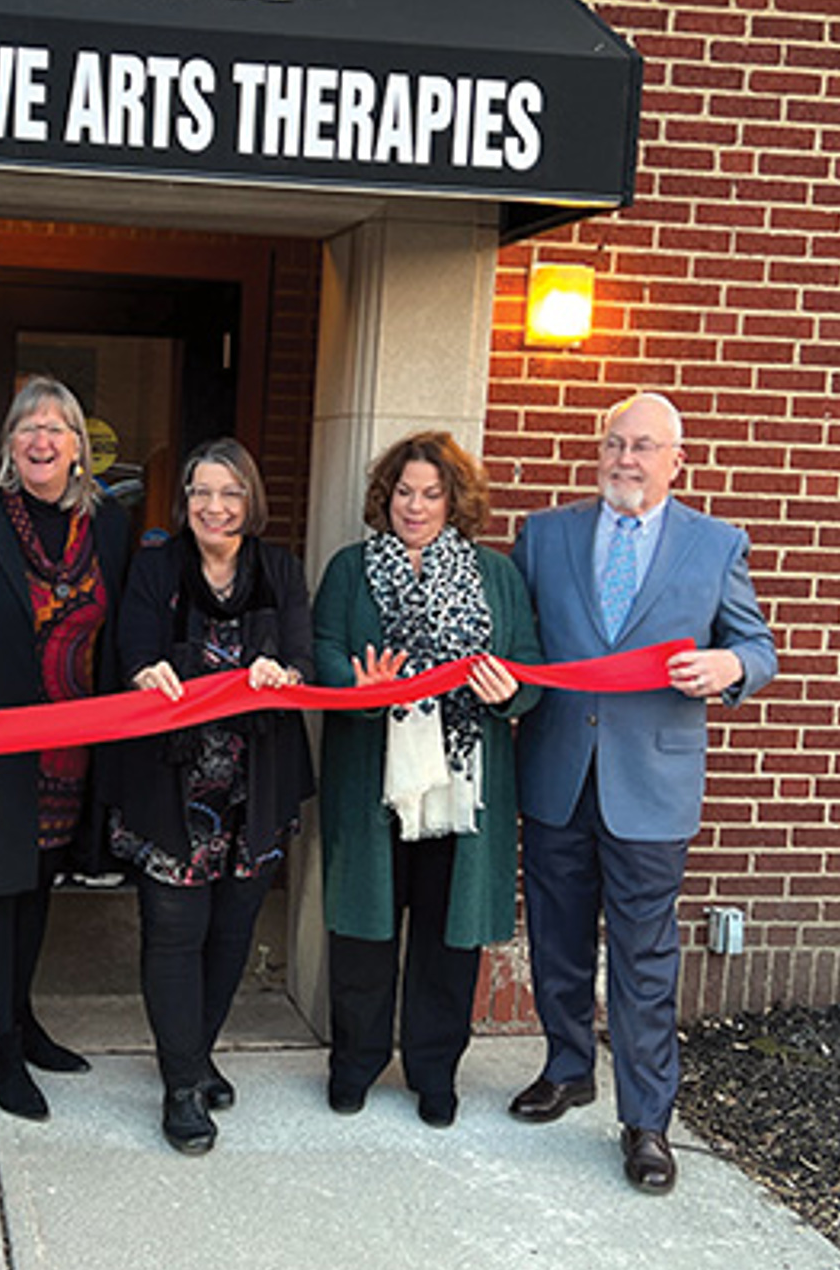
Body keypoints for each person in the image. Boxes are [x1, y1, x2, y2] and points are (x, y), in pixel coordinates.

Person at [507, 392, 776, 1195]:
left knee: (644, 955)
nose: (626, 460)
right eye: (615, 444)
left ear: (676, 460)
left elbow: (755, 643)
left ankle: (648, 1119)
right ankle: (566, 1066)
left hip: (652, 785)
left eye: (645, 447)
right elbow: (518, 638)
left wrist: (730, 669)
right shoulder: (545, 535)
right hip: (557, 771)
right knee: (555, 933)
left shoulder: (715, 543)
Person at [312, 432, 543, 1129]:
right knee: (363, 934)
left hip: (461, 792)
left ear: (455, 500)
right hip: (372, 780)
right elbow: (321, 645)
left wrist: (507, 693)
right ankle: (353, 1063)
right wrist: (352, 682)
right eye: (404, 492)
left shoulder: (495, 575)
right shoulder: (352, 569)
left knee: (449, 941)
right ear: (387, 497)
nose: (416, 506)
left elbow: (528, 664)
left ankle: (434, 1071)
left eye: (431, 493)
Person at [105, 437, 314, 1155]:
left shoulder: (279, 569)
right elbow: (130, 654)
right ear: (185, 499)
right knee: (174, 932)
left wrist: (282, 670)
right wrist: (151, 671)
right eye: (201, 492)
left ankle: (194, 1054)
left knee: (231, 932)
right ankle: (181, 1086)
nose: (214, 506)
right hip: (175, 783)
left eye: (229, 493)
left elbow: (303, 655)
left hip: (255, 784)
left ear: (249, 500)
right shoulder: (156, 566)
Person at [0, 377, 131, 1121]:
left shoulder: (110, 526)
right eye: (28, 428)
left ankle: (22, 1023)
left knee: (40, 885)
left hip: (75, 741)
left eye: (56, 429)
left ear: (80, 446)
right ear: (9, 443)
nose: (42, 441)